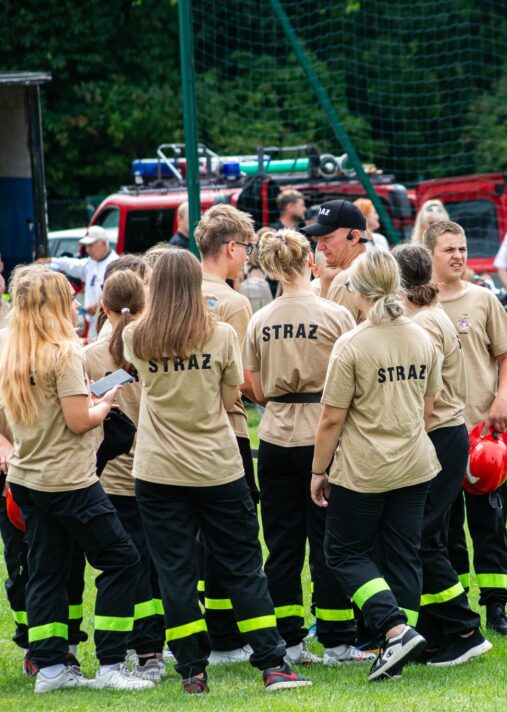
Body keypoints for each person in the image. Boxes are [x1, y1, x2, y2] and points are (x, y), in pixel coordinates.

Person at [123, 249, 310, 694]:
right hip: (217, 467)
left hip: (157, 469)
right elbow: (232, 397)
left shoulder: (136, 336)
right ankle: (272, 664)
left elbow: (142, 380)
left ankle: (192, 672)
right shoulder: (221, 334)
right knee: (244, 563)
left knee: (175, 571)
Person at [0, 267, 151, 693]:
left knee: (47, 570)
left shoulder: (14, 351)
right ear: (54, 305)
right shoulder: (64, 353)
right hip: (69, 480)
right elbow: (79, 420)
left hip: (28, 478)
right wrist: (105, 403)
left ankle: (49, 668)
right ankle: (110, 664)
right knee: (122, 559)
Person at [311, 250, 443, 681]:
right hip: (415, 463)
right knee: (403, 553)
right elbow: (428, 405)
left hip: (366, 468)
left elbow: (332, 417)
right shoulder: (423, 336)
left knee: (343, 551)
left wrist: (318, 470)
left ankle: (394, 629)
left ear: (358, 291)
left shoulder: (353, 343)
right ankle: (399, 644)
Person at [242, 228, 368, 666]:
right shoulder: (335, 314)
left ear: (272, 268)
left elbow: (254, 389)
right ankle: (336, 640)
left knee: (282, 544)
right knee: (329, 541)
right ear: (309, 264)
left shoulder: (260, 319)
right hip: (324, 436)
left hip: (276, 437)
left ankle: (290, 640)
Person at [0, 265, 90, 679]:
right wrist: (0, 444)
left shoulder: (69, 345)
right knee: (23, 566)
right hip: (14, 484)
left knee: (68, 564)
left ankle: (64, 645)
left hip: (67, 476)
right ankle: (33, 643)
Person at [392, 242, 492, 666]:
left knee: (422, 538)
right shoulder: (429, 315)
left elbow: (422, 395)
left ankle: (465, 629)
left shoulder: (424, 324)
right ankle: (433, 630)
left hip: (439, 435)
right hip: (443, 436)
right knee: (425, 537)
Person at [427, 221, 507, 637]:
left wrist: (502, 398)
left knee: (490, 526)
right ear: (429, 254)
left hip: (485, 436)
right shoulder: (417, 307)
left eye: (462, 248)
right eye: (449, 249)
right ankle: (457, 605)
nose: (458, 256)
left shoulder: (483, 299)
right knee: (445, 529)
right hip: (439, 437)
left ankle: (498, 609)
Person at [82, 270, 166, 682]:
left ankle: (140, 650)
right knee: (156, 563)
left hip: (113, 475)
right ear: (146, 303)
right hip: (159, 469)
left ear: (103, 307)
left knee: (126, 565)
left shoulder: (89, 356)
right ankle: (155, 651)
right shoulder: (159, 345)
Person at [193, 204, 262, 662]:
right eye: (247, 250)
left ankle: (195, 631)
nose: (248, 259)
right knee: (233, 534)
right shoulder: (234, 303)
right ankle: (227, 635)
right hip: (226, 431)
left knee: (190, 536)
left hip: (175, 434)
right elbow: (239, 381)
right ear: (231, 248)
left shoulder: (167, 290)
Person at [40, 225, 118, 339]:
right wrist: (52, 260)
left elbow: (119, 294)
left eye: (91, 245)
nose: (87, 250)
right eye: (86, 246)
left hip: (109, 323)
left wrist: (102, 305)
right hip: (94, 324)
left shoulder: (115, 265)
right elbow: (72, 264)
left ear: (103, 244)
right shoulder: (91, 263)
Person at [301, 199, 370, 319]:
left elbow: (335, 337)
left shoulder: (345, 281)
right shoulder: (379, 269)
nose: (320, 246)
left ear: (354, 237)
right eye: (319, 239)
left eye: (327, 238)